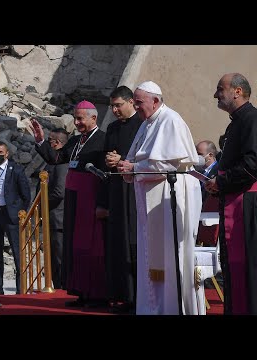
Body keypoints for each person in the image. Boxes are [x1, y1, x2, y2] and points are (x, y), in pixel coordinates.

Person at [117, 81, 201, 315]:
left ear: (155, 100)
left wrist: (133, 168)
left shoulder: (170, 120)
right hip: (150, 197)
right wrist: (128, 167)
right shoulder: (147, 123)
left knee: (167, 254)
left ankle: (170, 307)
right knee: (150, 253)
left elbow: (169, 163)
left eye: (139, 102)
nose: (135, 106)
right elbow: (141, 158)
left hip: (168, 197)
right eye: (134, 101)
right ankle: (152, 307)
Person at [30, 100, 109, 308]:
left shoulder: (103, 140)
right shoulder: (75, 141)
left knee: (93, 249)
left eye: (80, 118)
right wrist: (40, 141)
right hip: (74, 200)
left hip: (91, 200)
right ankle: (81, 292)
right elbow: (56, 159)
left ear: (94, 118)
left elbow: (104, 176)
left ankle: (97, 295)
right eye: (75, 118)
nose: (77, 122)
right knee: (76, 248)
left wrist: (102, 204)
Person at [204, 73, 257, 315]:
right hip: (234, 200)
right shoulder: (236, 122)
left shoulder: (252, 119)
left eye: (220, 89)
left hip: (246, 205)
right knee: (234, 268)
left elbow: (253, 164)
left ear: (237, 91)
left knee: (248, 267)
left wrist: (221, 180)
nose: (216, 94)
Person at [103, 86, 142, 313]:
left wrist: (123, 159)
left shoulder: (141, 125)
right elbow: (107, 157)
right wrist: (110, 160)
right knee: (117, 243)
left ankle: (137, 297)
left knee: (133, 243)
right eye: (112, 106)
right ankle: (122, 295)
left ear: (130, 102)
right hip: (117, 189)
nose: (115, 110)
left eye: (118, 105)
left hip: (134, 191)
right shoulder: (112, 127)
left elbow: (145, 157)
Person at [0, 141, 31, 295]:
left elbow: (26, 195)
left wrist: (20, 212)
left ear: (7, 153)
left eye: (1, 152)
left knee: (17, 252)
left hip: (10, 216)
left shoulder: (16, 170)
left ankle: (20, 287)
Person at [35, 128, 69, 290]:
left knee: (59, 258)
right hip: (52, 219)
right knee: (54, 258)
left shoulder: (61, 163)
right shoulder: (53, 161)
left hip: (58, 219)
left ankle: (62, 288)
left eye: (49, 141)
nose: (48, 145)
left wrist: (41, 203)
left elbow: (58, 191)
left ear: (56, 143)